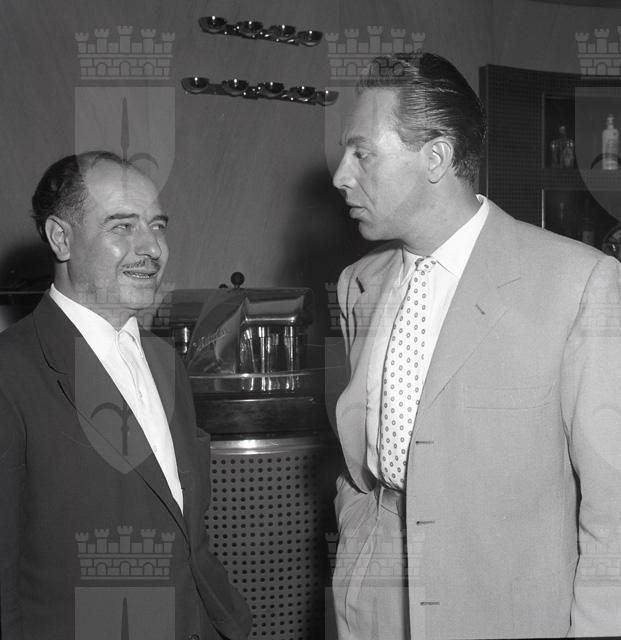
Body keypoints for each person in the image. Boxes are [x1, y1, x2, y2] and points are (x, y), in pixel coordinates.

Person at [330, 52, 621, 639]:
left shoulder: (579, 283)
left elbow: (613, 505)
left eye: (362, 153)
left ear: (435, 158)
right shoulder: (358, 284)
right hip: (374, 604)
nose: (340, 175)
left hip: (504, 609)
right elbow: (360, 462)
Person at [0, 152, 252, 639]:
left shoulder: (166, 362)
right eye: (122, 226)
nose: (152, 248)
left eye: (157, 226)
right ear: (61, 238)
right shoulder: (11, 372)